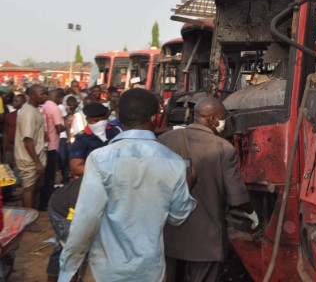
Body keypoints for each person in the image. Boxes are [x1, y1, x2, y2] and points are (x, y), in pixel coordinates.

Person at [59, 88, 197, 282]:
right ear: (155, 118)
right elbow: (177, 216)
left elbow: (86, 220)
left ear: (118, 118)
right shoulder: (173, 162)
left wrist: (68, 270)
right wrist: (187, 185)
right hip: (151, 272)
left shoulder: (99, 159)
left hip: (105, 271)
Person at [159, 97, 258, 282]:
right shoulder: (223, 148)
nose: (224, 123)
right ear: (212, 120)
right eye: (223, 118)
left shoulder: (164, 140)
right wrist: (252, 213)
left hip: (169, 234)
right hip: (206, 239)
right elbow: (237, 197)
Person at [46, 103, 122, 282]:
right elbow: (76, 167)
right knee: (69, 248)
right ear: (88, 120)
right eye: (94, 121)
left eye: (102, 120)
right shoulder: (82, 138)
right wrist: (110, 168)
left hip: (100, 198)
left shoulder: (116, 132)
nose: (99, 123)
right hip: (71, 205)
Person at [14, 85, 48, 210]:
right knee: (29, 188)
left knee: (37, 186)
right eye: (42, 94)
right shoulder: (28, 113)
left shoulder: (34, 110)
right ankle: (27, 217)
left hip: (37, 155)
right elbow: (28, 140)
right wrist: (37, 162)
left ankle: (31, 212)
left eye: (45, 93)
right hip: (29, 159)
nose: (45, 96)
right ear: (32, 96)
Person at [39, 89, 65, 210]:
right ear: (58, 97)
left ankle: (39, 200)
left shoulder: (42, 105)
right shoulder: (55, 108)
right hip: (52, 145)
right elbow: (59, 128)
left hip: (41, 146)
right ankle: (45, 203)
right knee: (49, 176)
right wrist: (67, 125)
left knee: (41, 175)